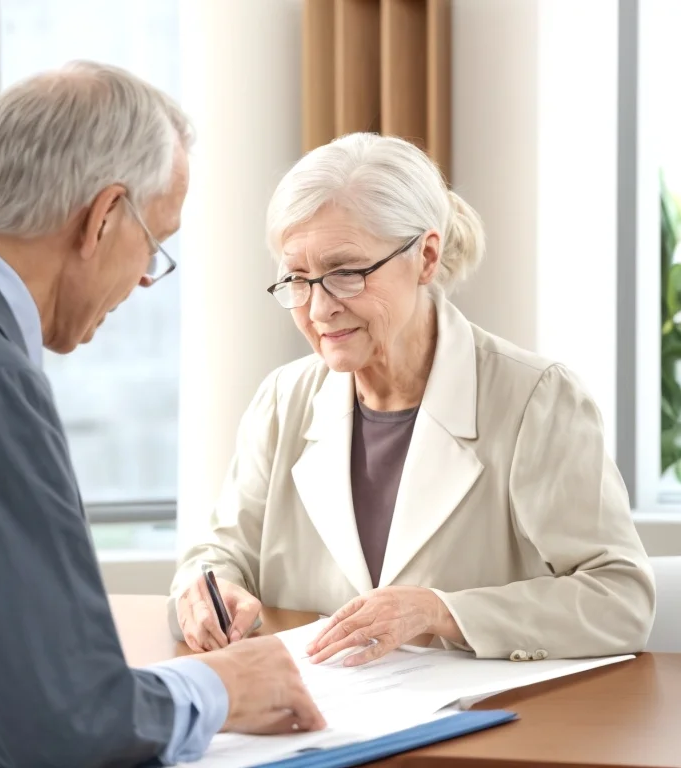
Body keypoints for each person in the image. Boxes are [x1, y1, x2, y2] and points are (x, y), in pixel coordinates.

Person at [0, 62, 324, 768]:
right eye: (155, 244)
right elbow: (60, 729)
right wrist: (220, 689)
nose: (143, 278)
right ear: (102, 217)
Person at [171, 132, 656, 666]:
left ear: (426, 256)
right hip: (317, 726)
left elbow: (621, 600)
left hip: (487, 732)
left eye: (345, 274)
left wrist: (438, 612)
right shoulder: (283, 400)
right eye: (298, 279)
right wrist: (207, 591)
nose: (317, 309)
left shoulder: (537, 399)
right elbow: (221, 554)